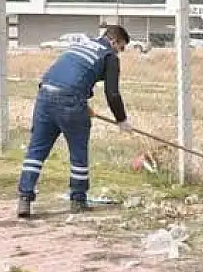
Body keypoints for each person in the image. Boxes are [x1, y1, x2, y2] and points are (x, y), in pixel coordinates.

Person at [16, 25, 132, 218]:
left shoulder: (81, 45)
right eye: (121, 47)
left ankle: (24, 198)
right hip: (71, 101)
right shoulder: (109, 56)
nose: (121, 52)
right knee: (78, 152)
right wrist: (121, 120)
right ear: (114, 41)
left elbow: (67, 74)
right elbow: (112, 93)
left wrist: (81, 99)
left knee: (36, 151)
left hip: (45, 94)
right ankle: (78, 200)